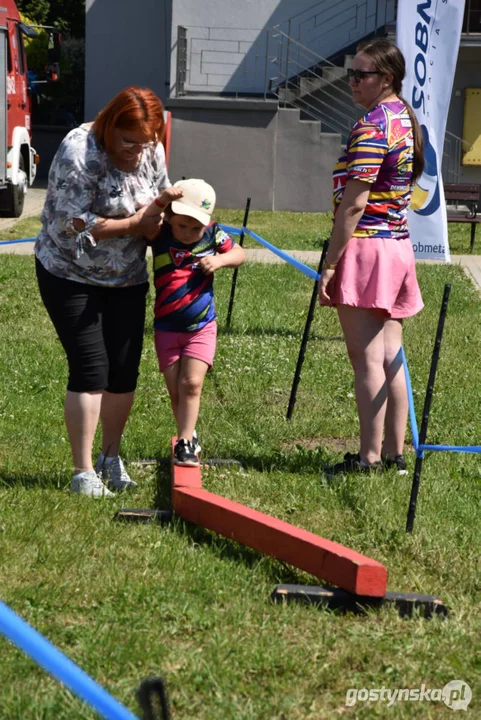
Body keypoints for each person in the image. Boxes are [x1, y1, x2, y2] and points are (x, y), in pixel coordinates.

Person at [35, 86, 170, 497]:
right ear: (111, 126)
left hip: (126, 276)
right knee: (91, 367)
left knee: (124, 372)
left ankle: (111, 459)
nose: (136, 152)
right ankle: (83, 473)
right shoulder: (80, 152)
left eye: (144, 143)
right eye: (128, 141)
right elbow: (68, 225)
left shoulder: (149, 147)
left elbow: (160, 195)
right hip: (70, 274)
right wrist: (134, 226)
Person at [318, 38, 424, 478]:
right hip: (397, 246)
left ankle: (369, 459)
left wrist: (330, 262)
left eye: (361, 75)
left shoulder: (371, 127)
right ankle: (396, 457)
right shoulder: (404, 117)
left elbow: (355, 205)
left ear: (387, 79)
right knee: (390, 355)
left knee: (366, 359)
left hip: (367, 247)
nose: (352, 83)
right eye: (351, 73)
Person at [148, 179, 245, 466]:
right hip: (166, 327)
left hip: (201, 326)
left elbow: (239, 253)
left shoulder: (213, 234)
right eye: (183, 226)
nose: (189, 234)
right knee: (176, 390)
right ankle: (188, 433)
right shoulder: (160, 233)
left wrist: (219, 261)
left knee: (191, 385)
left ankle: (185, 443)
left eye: (196, 228)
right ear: (170, 218)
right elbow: (147, 218)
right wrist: (161, 201)